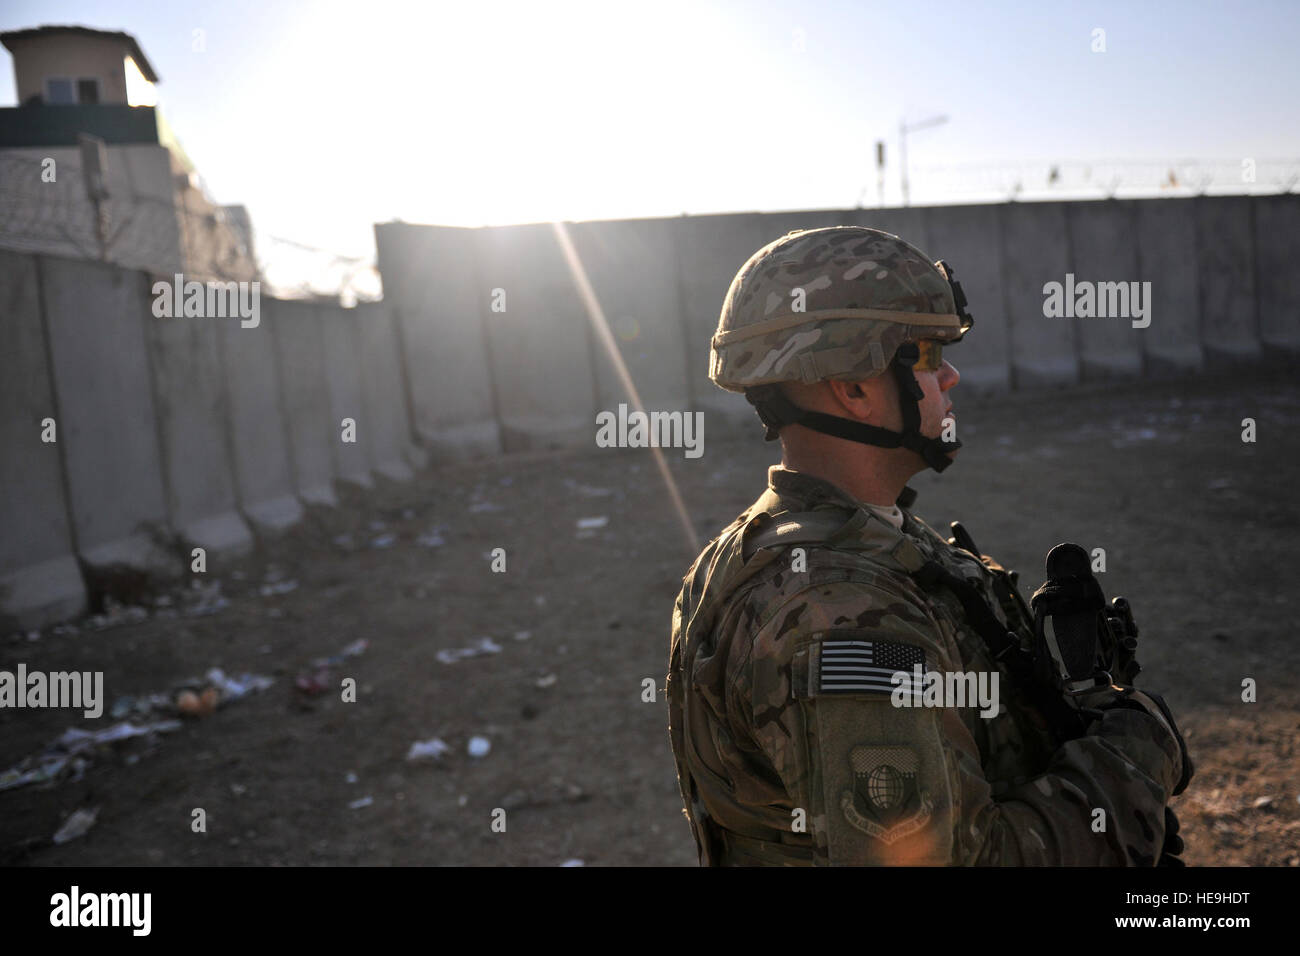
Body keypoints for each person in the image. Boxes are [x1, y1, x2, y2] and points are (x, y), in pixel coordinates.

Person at [667, 226, 1192, 866]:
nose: (951, 375)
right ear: (854, 387)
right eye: (925, 355)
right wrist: (1134, 753)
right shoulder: (840, 613)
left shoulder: (808, 544)